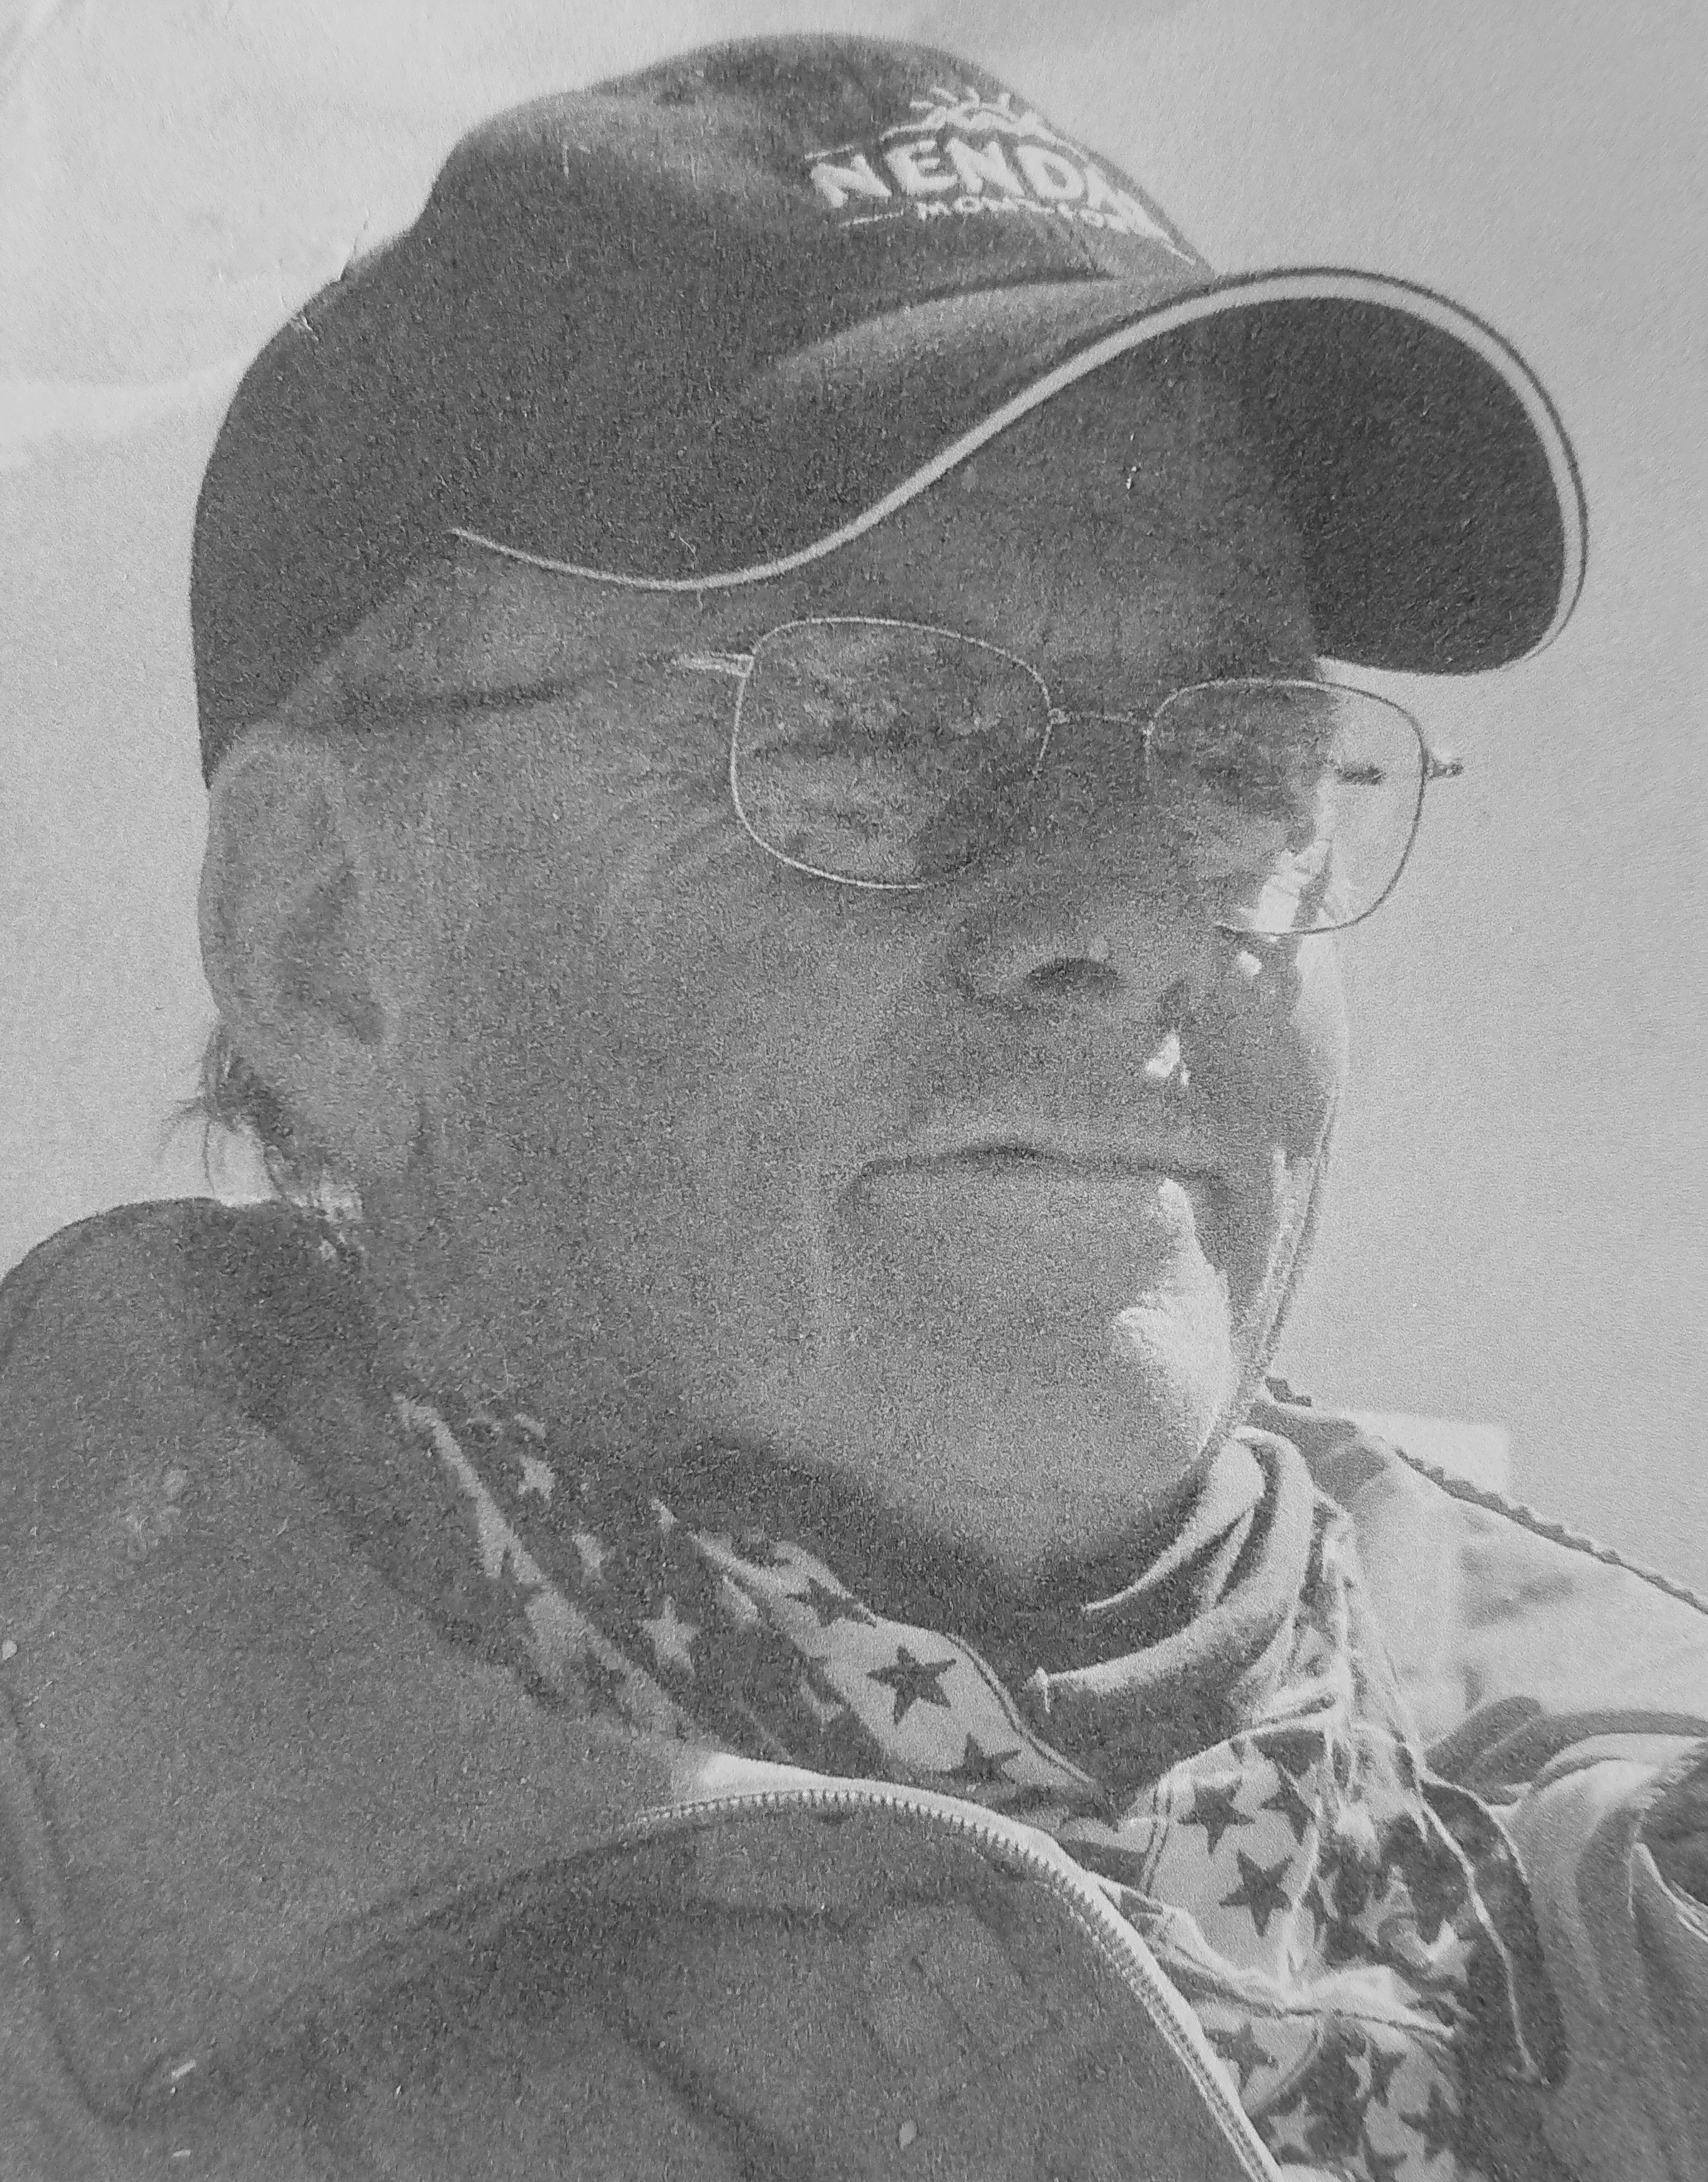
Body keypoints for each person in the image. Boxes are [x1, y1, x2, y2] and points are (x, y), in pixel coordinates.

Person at [1, 34, 1702, 2182]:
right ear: (332, 941)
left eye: (1240, 761)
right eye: (881, 730)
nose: (1132, 922)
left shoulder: (1642, 1827)